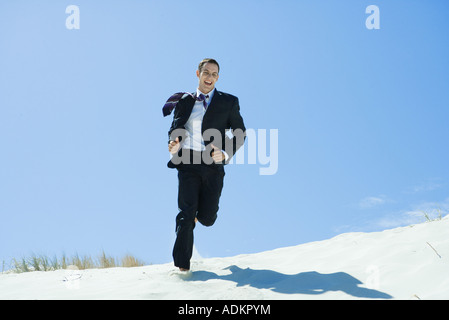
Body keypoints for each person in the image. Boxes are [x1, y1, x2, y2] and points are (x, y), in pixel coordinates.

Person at [164, 58, 246, 271]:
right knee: (185, 214)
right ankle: (182, 267)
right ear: (198, 74)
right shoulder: (183, 100)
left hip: (212, 165)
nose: (209, 77)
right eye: (206, 72)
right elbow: (176, 127)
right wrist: (173, 143)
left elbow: (239, 133)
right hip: (188, 161)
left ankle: (198, 217)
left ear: (217, 78)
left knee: (207, 218)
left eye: (214, 74)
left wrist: (226, 152)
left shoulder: (228, 102)